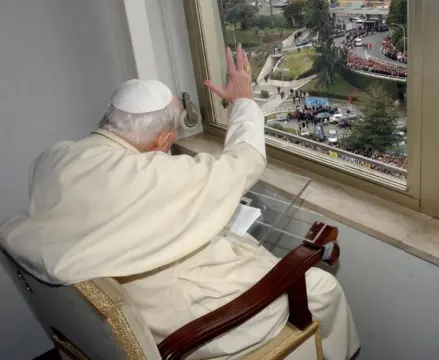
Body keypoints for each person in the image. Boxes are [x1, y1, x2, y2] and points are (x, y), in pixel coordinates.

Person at [0, 44, 360, 360]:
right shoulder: (155, 177)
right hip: (184, 324)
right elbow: (246, 160)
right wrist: (244, 101)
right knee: (324, 287)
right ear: (163, 140)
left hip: (129, 306)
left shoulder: (54, 158)